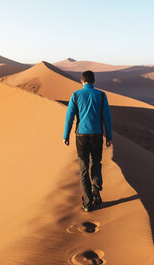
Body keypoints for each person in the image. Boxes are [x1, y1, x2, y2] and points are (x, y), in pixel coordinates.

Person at [63, 70, 113, 212]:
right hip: (97, 135)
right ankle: (96, 186)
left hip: (81, 137)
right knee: (96, 163)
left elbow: (69, 118)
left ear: (82, 81)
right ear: (93, 81)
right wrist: (109, 136)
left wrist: (65, 136)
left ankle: (87, 203)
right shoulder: (101, 95)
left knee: (83, 169)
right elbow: (107, 118)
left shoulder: (76, 95)